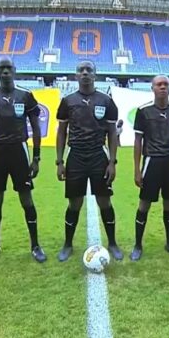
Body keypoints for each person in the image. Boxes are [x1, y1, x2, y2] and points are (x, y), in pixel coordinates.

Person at [0, 56, 45, 262]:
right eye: (1, 68)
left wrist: (36, 158)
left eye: (9, 68)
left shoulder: (26, 95)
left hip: (19, 151)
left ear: (15, 70)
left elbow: (36, 127)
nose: (5, 72)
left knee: (26, 199)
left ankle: (35, 246)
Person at [55, 61, 123, 262]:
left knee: (104, 201)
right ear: (76, 75)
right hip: (75, 155)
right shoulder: (68, 101)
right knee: (74, 203)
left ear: (95, 75)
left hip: (98, 156)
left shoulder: (106, 101)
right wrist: (59, 161)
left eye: (89, 70)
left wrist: (112, 162)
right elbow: (61, 132)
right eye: (81, 70)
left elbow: (112, 133)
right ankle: (68, 244)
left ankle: (112, 243)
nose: (85, 73)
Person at [131, 75, 169, 260]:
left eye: (165, 84)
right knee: (144, 204)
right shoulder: (144, 111)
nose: (162, 87)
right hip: (151, 161)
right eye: (159, 84)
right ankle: (138, 245)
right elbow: (138, 141)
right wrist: (137, 169)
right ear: (153, 88)